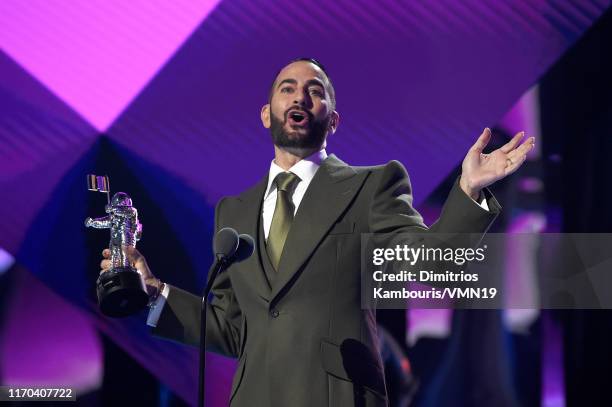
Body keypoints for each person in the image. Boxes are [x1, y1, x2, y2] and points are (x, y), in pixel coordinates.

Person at [99, 58, 535, 407]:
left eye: (316, 91)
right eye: (287, 88)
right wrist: (156, 293)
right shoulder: (234, 211)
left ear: (333, 121)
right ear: (266, 114)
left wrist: (468, 190)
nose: (301, 97)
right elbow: (235, 331)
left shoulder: (372, 185)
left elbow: (430, 259)